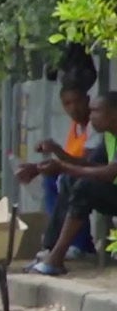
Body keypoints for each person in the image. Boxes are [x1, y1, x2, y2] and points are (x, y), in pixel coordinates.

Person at [22, 93, 117, 276]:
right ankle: (50, 250)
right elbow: (89, 163)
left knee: (84, 187)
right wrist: (42, 165)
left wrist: (62, 166)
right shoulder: (110, 136)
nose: (90, 116)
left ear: (114, 114)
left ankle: (57, 257)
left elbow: (109, 173)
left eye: (96, 111)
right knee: (69, 179)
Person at [16, 83, 99, 260]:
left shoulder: (97, 124)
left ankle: (77, 245)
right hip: (81, 174)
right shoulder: (76, 126)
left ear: (87, 100)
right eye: (67, 103)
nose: (73, 108)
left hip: (95, 176)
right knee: (54, 180)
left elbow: (89, 163)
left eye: (77, 102)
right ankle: (60, 243)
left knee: (72, 185)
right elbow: (68, 160)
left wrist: (56, 150)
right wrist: (37, 168)